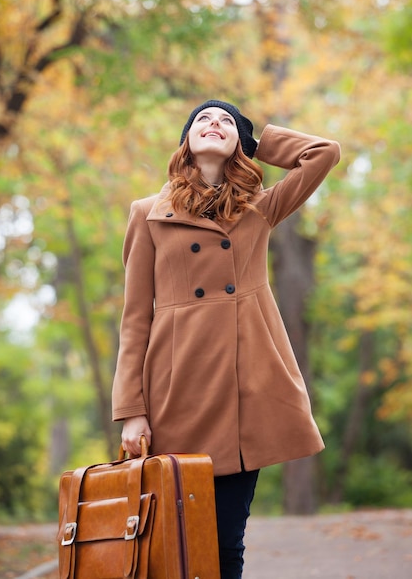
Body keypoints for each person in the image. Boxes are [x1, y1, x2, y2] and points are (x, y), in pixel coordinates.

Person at [112, 100, 340, 579]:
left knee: (226, 538)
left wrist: (256, 140)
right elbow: (134, 319)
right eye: (203, 120)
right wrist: (131, 410)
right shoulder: (148, 214)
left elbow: (324, 153)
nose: (214, 124)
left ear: (240, 142)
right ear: (185, 141)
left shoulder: (260, 208)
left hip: (243, 390)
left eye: (226, 122)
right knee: (172, 540)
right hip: (176, 392)